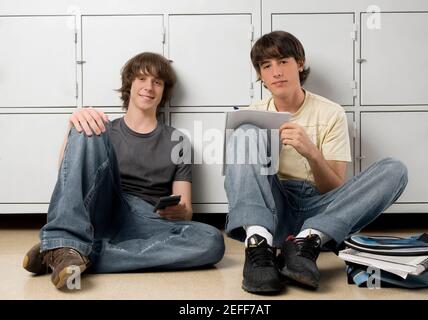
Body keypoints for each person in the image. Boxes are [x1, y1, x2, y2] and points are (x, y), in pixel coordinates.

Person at [224, 31, 408, 294]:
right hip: (273, 208)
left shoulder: (331, 112)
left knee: (395, 169)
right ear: (261, 76)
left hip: (319, 209)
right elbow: (242, 181)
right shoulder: (256, 112)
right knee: (243, 131)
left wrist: (311, 151)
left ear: (299, 63)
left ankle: (306, 242)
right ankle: (258, 243)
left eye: (283, 61)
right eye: (267, 66)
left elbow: (332, 187)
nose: (276, 72)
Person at [23, 52, 225, 290]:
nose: (149, 87)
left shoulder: (177, 140)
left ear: (163, 91)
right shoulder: (102, 129)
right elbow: (69, 179)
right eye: (142, 79)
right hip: (102, 206)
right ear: (129, 85)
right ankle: (65, 243)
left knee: (211, 241)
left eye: (157, 82)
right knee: (87, 123)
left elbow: (187, 210)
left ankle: (65, 250)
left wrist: (180, 211)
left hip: (146, 219)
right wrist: (73, 126)